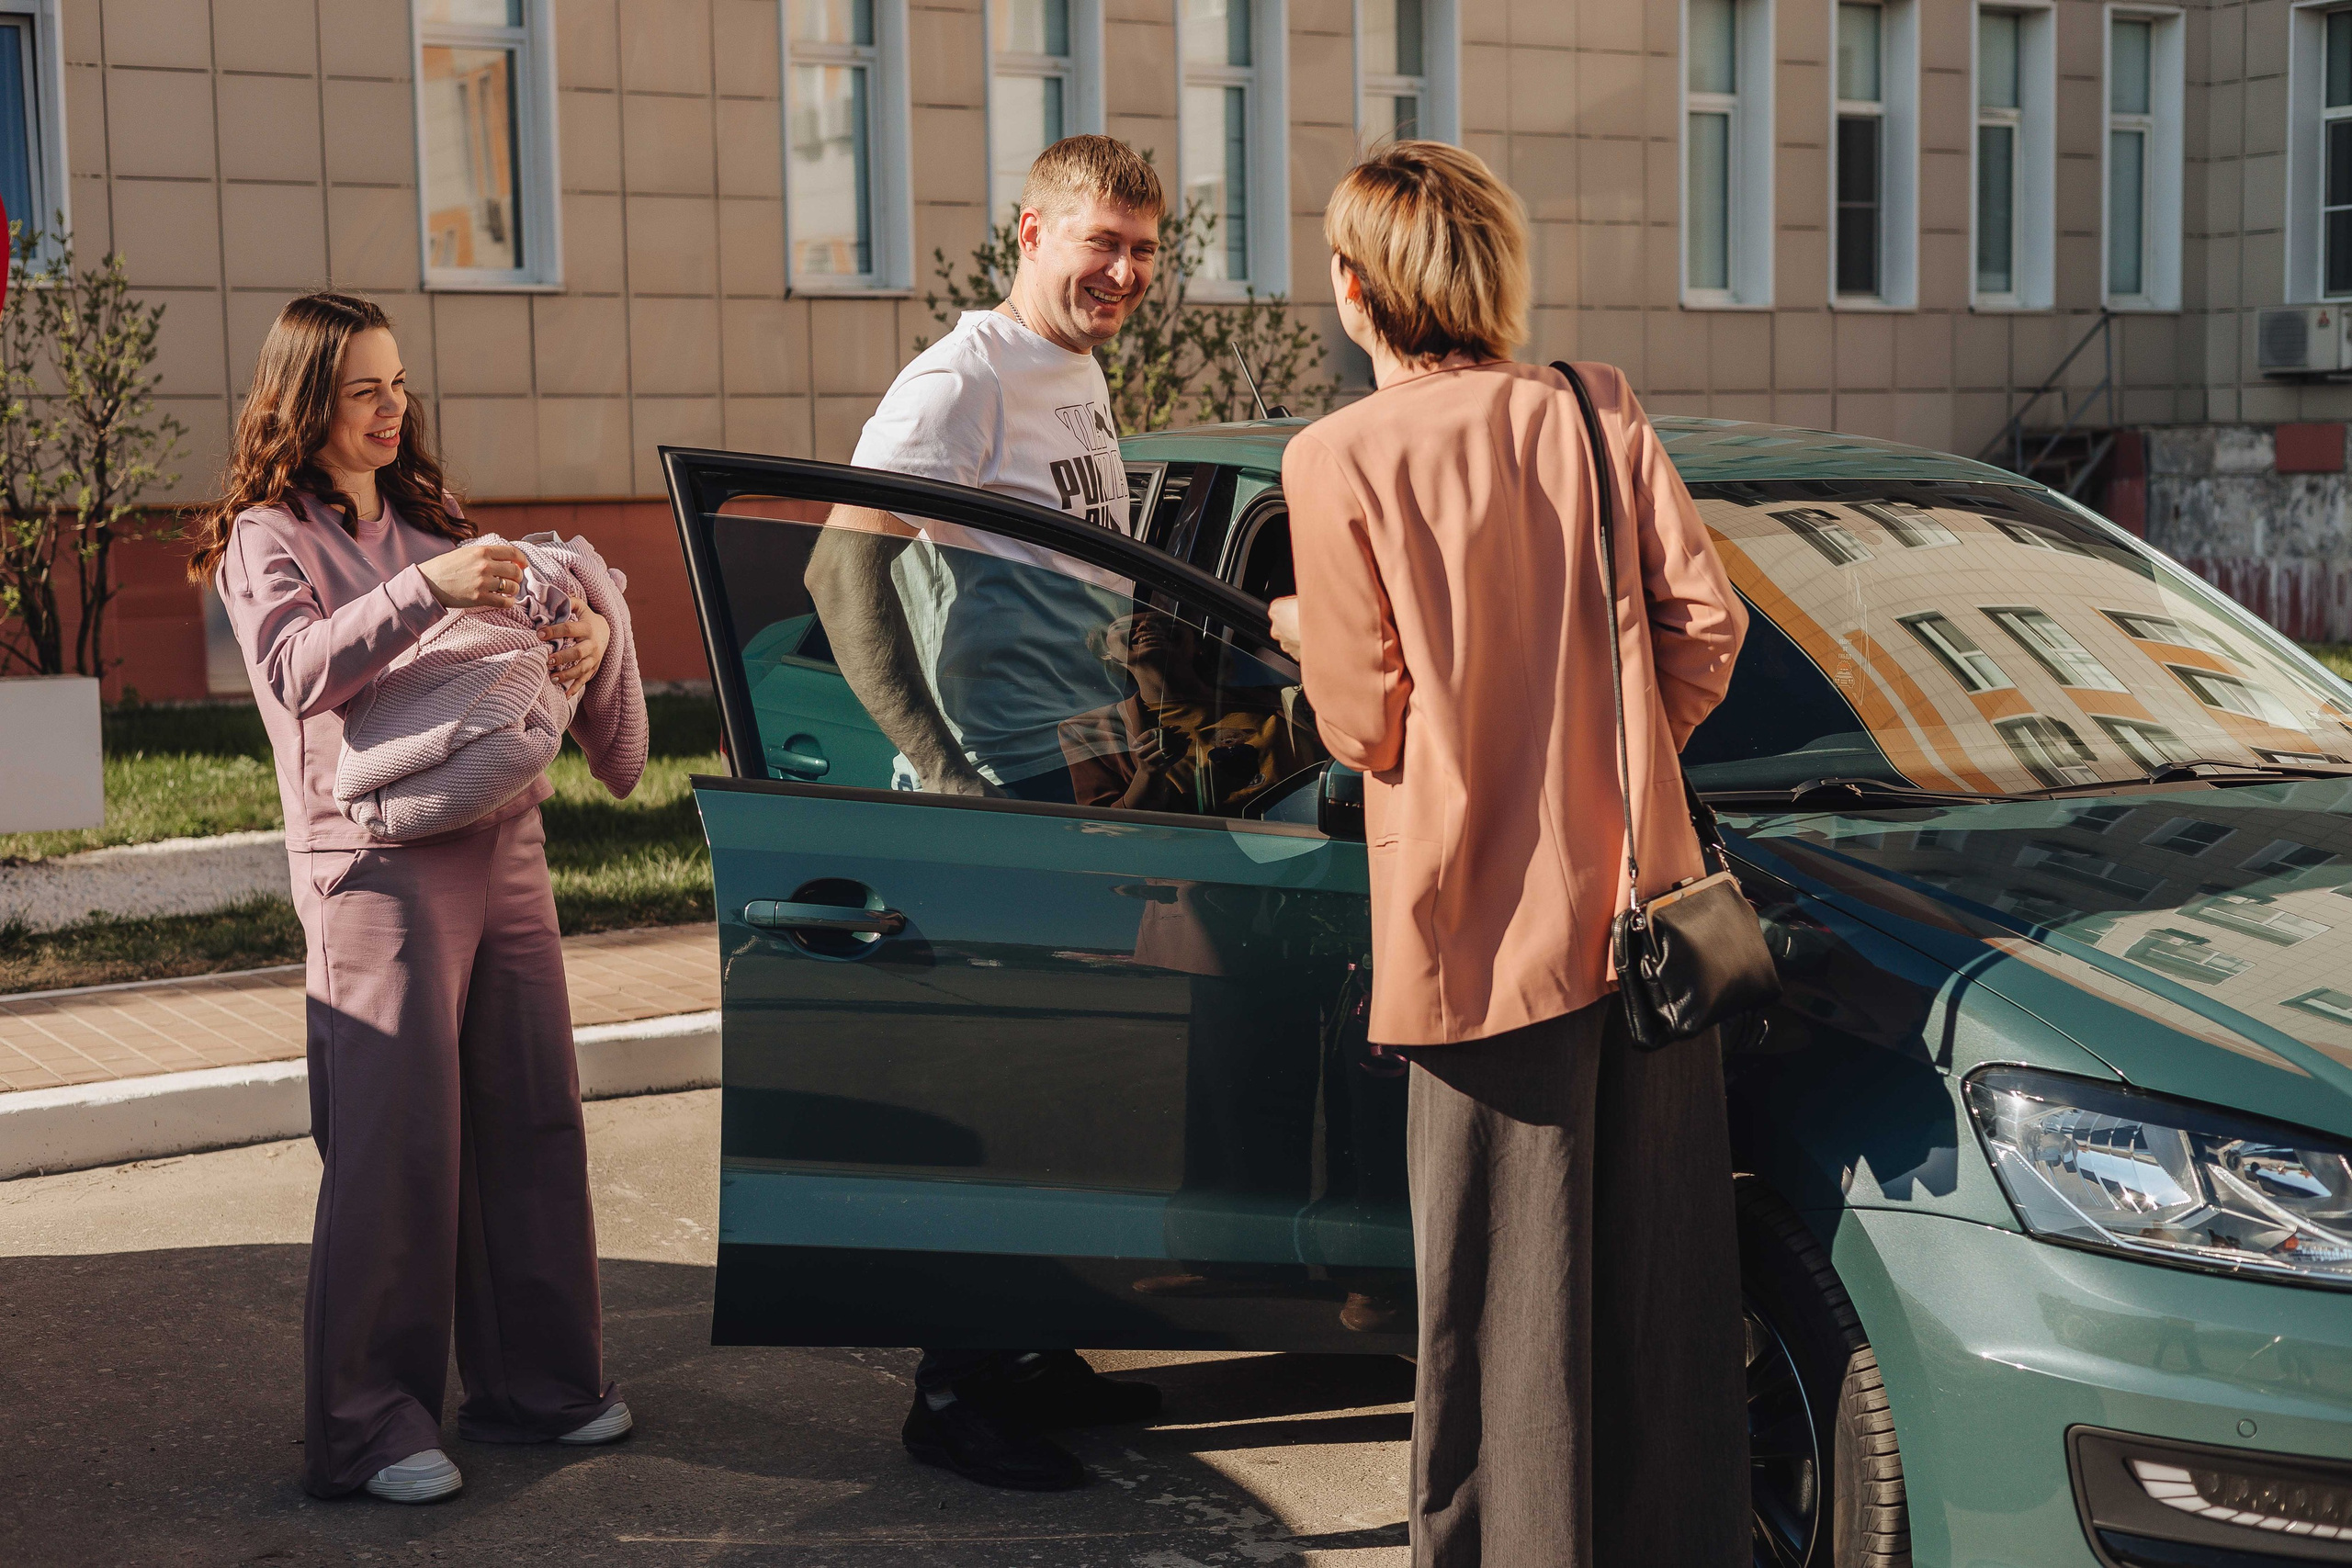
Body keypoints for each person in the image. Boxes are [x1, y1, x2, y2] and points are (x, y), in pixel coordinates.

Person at [1274, 144, 1752, 1565]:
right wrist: (1606, 760)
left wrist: (1302, 633)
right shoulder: (1598, 413)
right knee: (1658, 1309)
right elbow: (1706, 632)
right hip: (1652, 924)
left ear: (1356, 290)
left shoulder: (1337, 456)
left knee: (1496, 1315)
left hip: (1480, 942)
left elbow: (1364, 726)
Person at [187, 292, 633, 1503]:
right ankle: (371, 1426)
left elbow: (506, 638)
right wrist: (429, 588)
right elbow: (291, 671)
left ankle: (538, 1386)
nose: (393, 408)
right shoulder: (267, 536)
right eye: (363, 389)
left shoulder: (432, 512)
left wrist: (579, 635)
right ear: (305, 401)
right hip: (372, 860)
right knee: (397, 1146)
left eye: (399, 384)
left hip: (505, 838)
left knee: (531, 1113)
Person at [802, 135, 1169, 1492]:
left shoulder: (1073, 367)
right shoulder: (958, 380)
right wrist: (949, 782)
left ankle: (1029, 1342)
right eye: (1101, 244)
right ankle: (952, 1390)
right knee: (1003, 1094)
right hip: (997, 796)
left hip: (1078, 786)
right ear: (1031, 231)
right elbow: (844, 569)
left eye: (1143, 248)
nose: (1124, 271)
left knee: (1072, 1088)